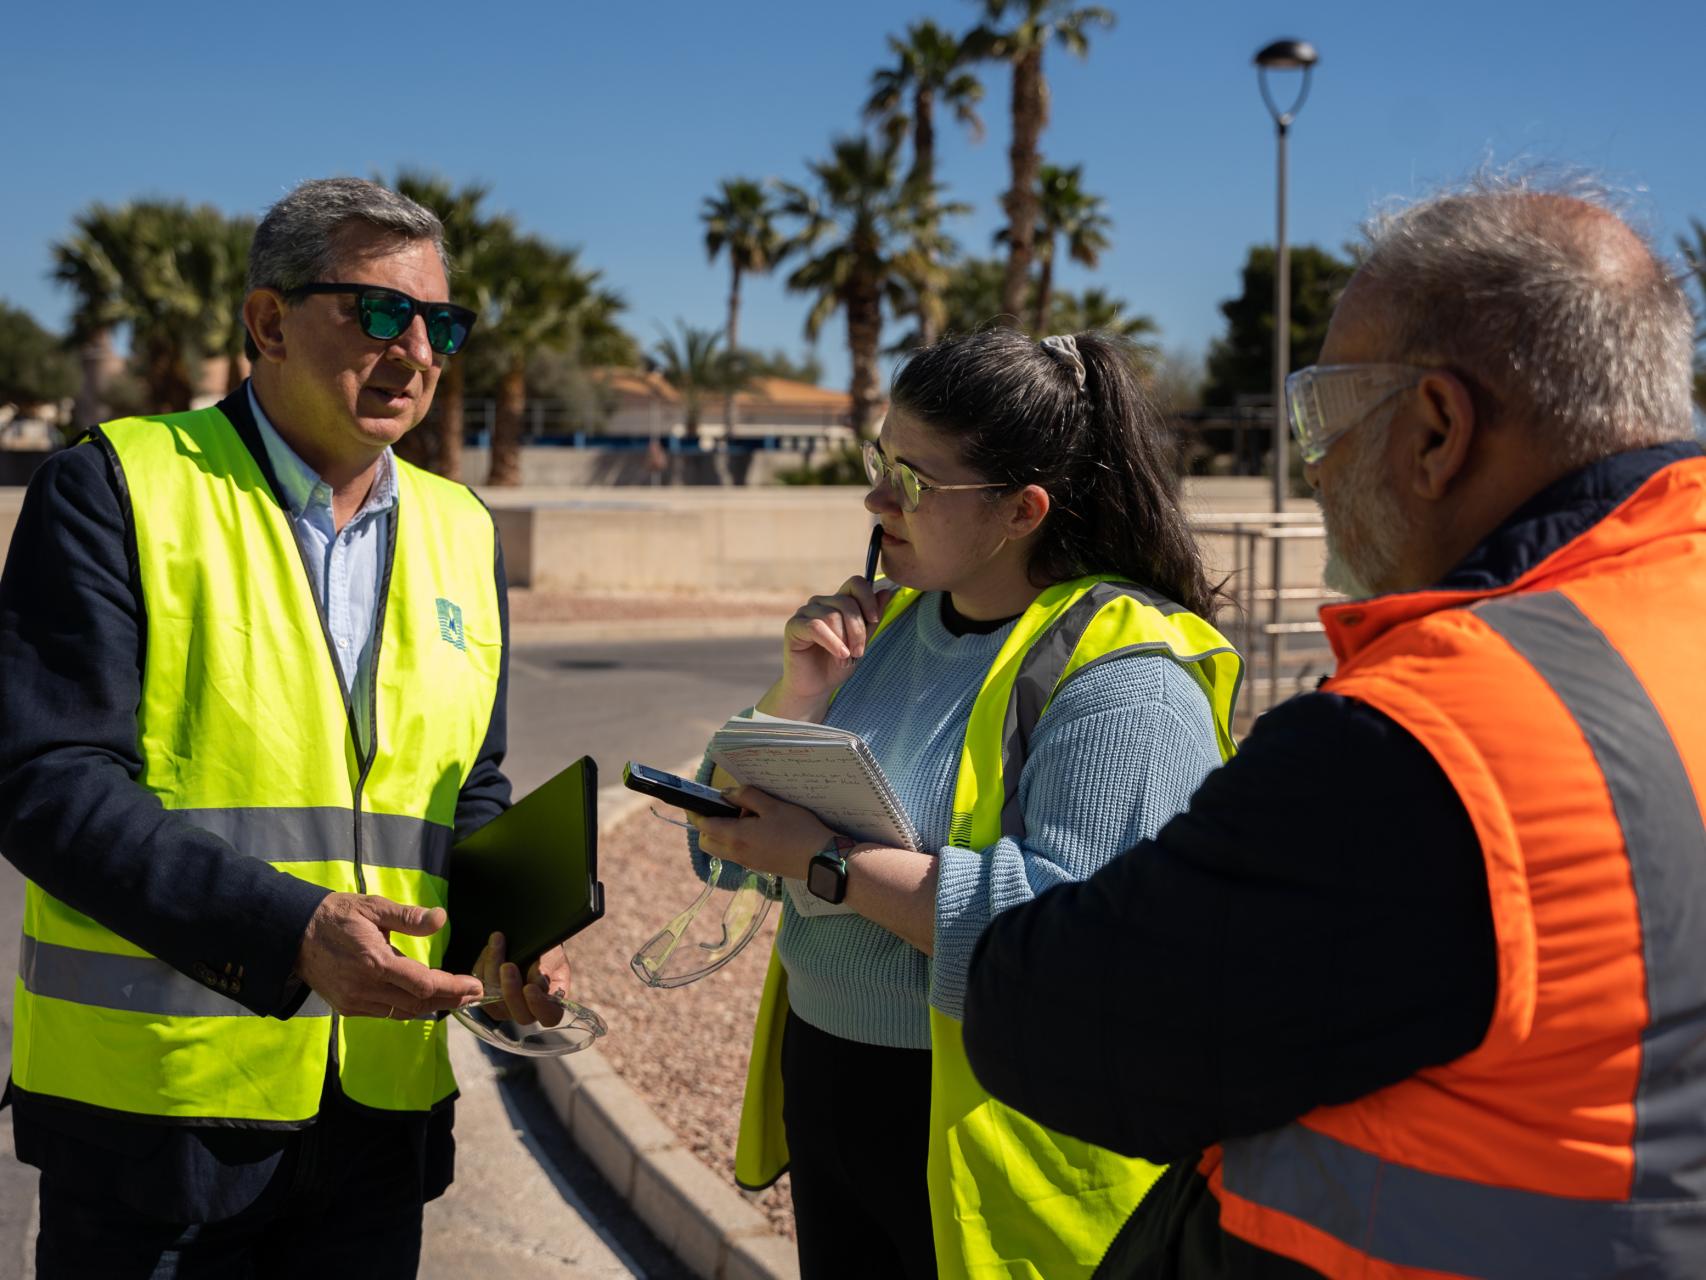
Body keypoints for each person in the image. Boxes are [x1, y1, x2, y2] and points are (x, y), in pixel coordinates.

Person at [960, 174, 1706, 1279]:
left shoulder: (1430, 732)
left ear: (1435, 430)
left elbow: (1061, 1024)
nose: (1310, 466)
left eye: (1319, 417)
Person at [0, 177, 556, 1277]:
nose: (415, 351)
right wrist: (292, 930)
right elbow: (46, 779)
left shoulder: (460, 527)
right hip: (154, 1119)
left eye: (439, 323)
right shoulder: (116, 486)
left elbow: (466, 786)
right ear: (266, 321)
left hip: (377, 1120)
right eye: (377, 312)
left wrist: (507, 940)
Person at [684, 327, 1244, 1279]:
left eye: (914, 479)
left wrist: (826, 860)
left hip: (990, 1123)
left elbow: (1074, 943)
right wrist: (801, 693)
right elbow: (717, 839)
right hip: (834, 1093)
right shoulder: (887, 624)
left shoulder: (1129, 677)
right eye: (879, 460)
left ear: (1023, 510)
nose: (875, 499)